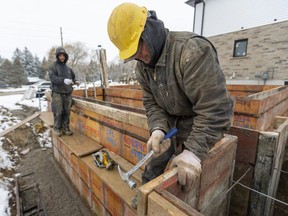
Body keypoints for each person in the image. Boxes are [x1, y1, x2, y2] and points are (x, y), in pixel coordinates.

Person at [108, 3, 233, 191]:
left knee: (186, 179)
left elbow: (216, 109)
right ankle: (145, 200)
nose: (139, 56)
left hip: (199, 124)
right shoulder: (143, 67)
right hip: (170, 125)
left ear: (149, 29)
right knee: (153, 169)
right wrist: (157, 128)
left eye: (138, 47)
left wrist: (193, 151)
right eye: (132, 54)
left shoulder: (191, 51)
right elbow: (152, 103)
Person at [49, 47, 79, 137]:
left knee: (67, 112)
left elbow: (73, 77)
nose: (62, 57)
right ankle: (57, 128)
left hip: (67, 93)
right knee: (58, 111)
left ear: (66, 56)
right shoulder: (53, 66)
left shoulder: (68, 68)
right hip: (57, 92)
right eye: (60, 55)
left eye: (63, 55)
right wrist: (63, 80)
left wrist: (75, 81)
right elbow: (53, 78)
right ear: (57, 56)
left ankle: (66, 128)